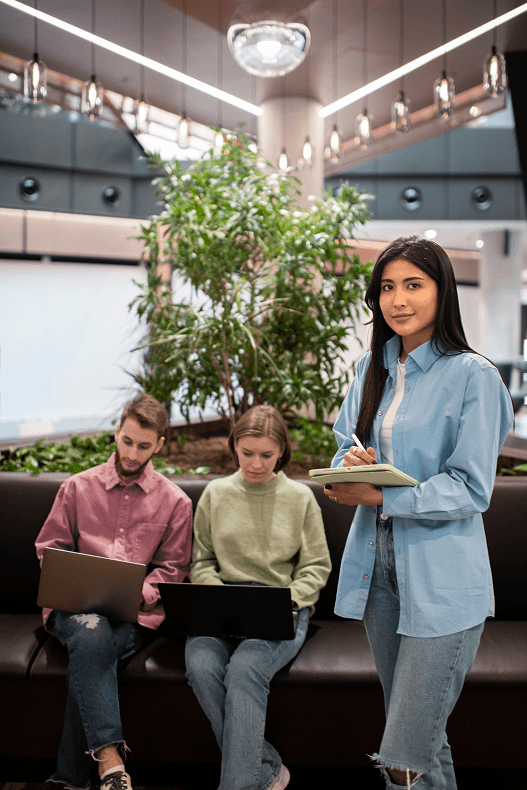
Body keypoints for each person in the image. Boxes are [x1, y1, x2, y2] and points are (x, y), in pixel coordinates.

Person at [323, 235, 514, 790]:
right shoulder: (369, 367)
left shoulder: (472, 376)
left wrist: (383, 495)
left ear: (442, 292)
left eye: (413, 285)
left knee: (404, 750)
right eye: (387, 287)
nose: (398, 299)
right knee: (421, 740)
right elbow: (344, 445)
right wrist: (351, 464)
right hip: (378, 568)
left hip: (445, 578)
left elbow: (471, 488)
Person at [35, 393, 193, 790]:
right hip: (72, 608)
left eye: (143, 446)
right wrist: (70, 573)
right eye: (127, 441)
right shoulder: (76, 488)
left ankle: (68, 780)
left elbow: (174, 568)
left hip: (132, 614)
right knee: (91, 632)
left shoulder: (176, 502)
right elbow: (49, 548)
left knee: (94, 648)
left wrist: (145, 587)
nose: (132, 452)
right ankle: (111, 763)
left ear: (159, 445)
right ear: (117, 432)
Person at [185, 405, 332, 790]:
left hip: (278, 606)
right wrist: (217, 598)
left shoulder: (299, 498)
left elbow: (316, 566)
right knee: (200, 665)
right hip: (221, 603)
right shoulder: (215, 494)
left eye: (266, 455)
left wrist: (292, 598)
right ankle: (265, 769)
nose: (255, 464)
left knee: (245, 669)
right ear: (234, 446)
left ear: (281, 451)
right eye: (247, 453)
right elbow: (201, 560)